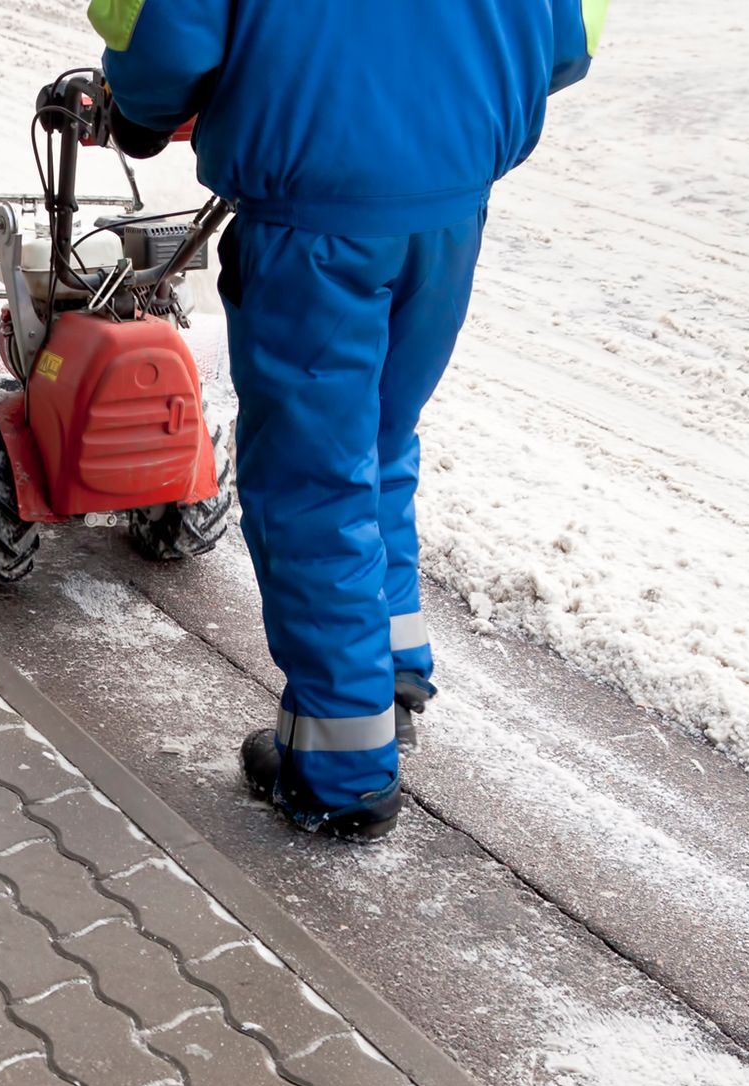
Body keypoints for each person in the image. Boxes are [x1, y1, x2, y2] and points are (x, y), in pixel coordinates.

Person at [95, 0, 606, 840]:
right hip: (449, 200)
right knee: (377, 438)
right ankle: (393, 668)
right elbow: (571, 40)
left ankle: (341, 770)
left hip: (315, 216)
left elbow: (162, 47)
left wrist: (142, 112)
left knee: (310, 482)